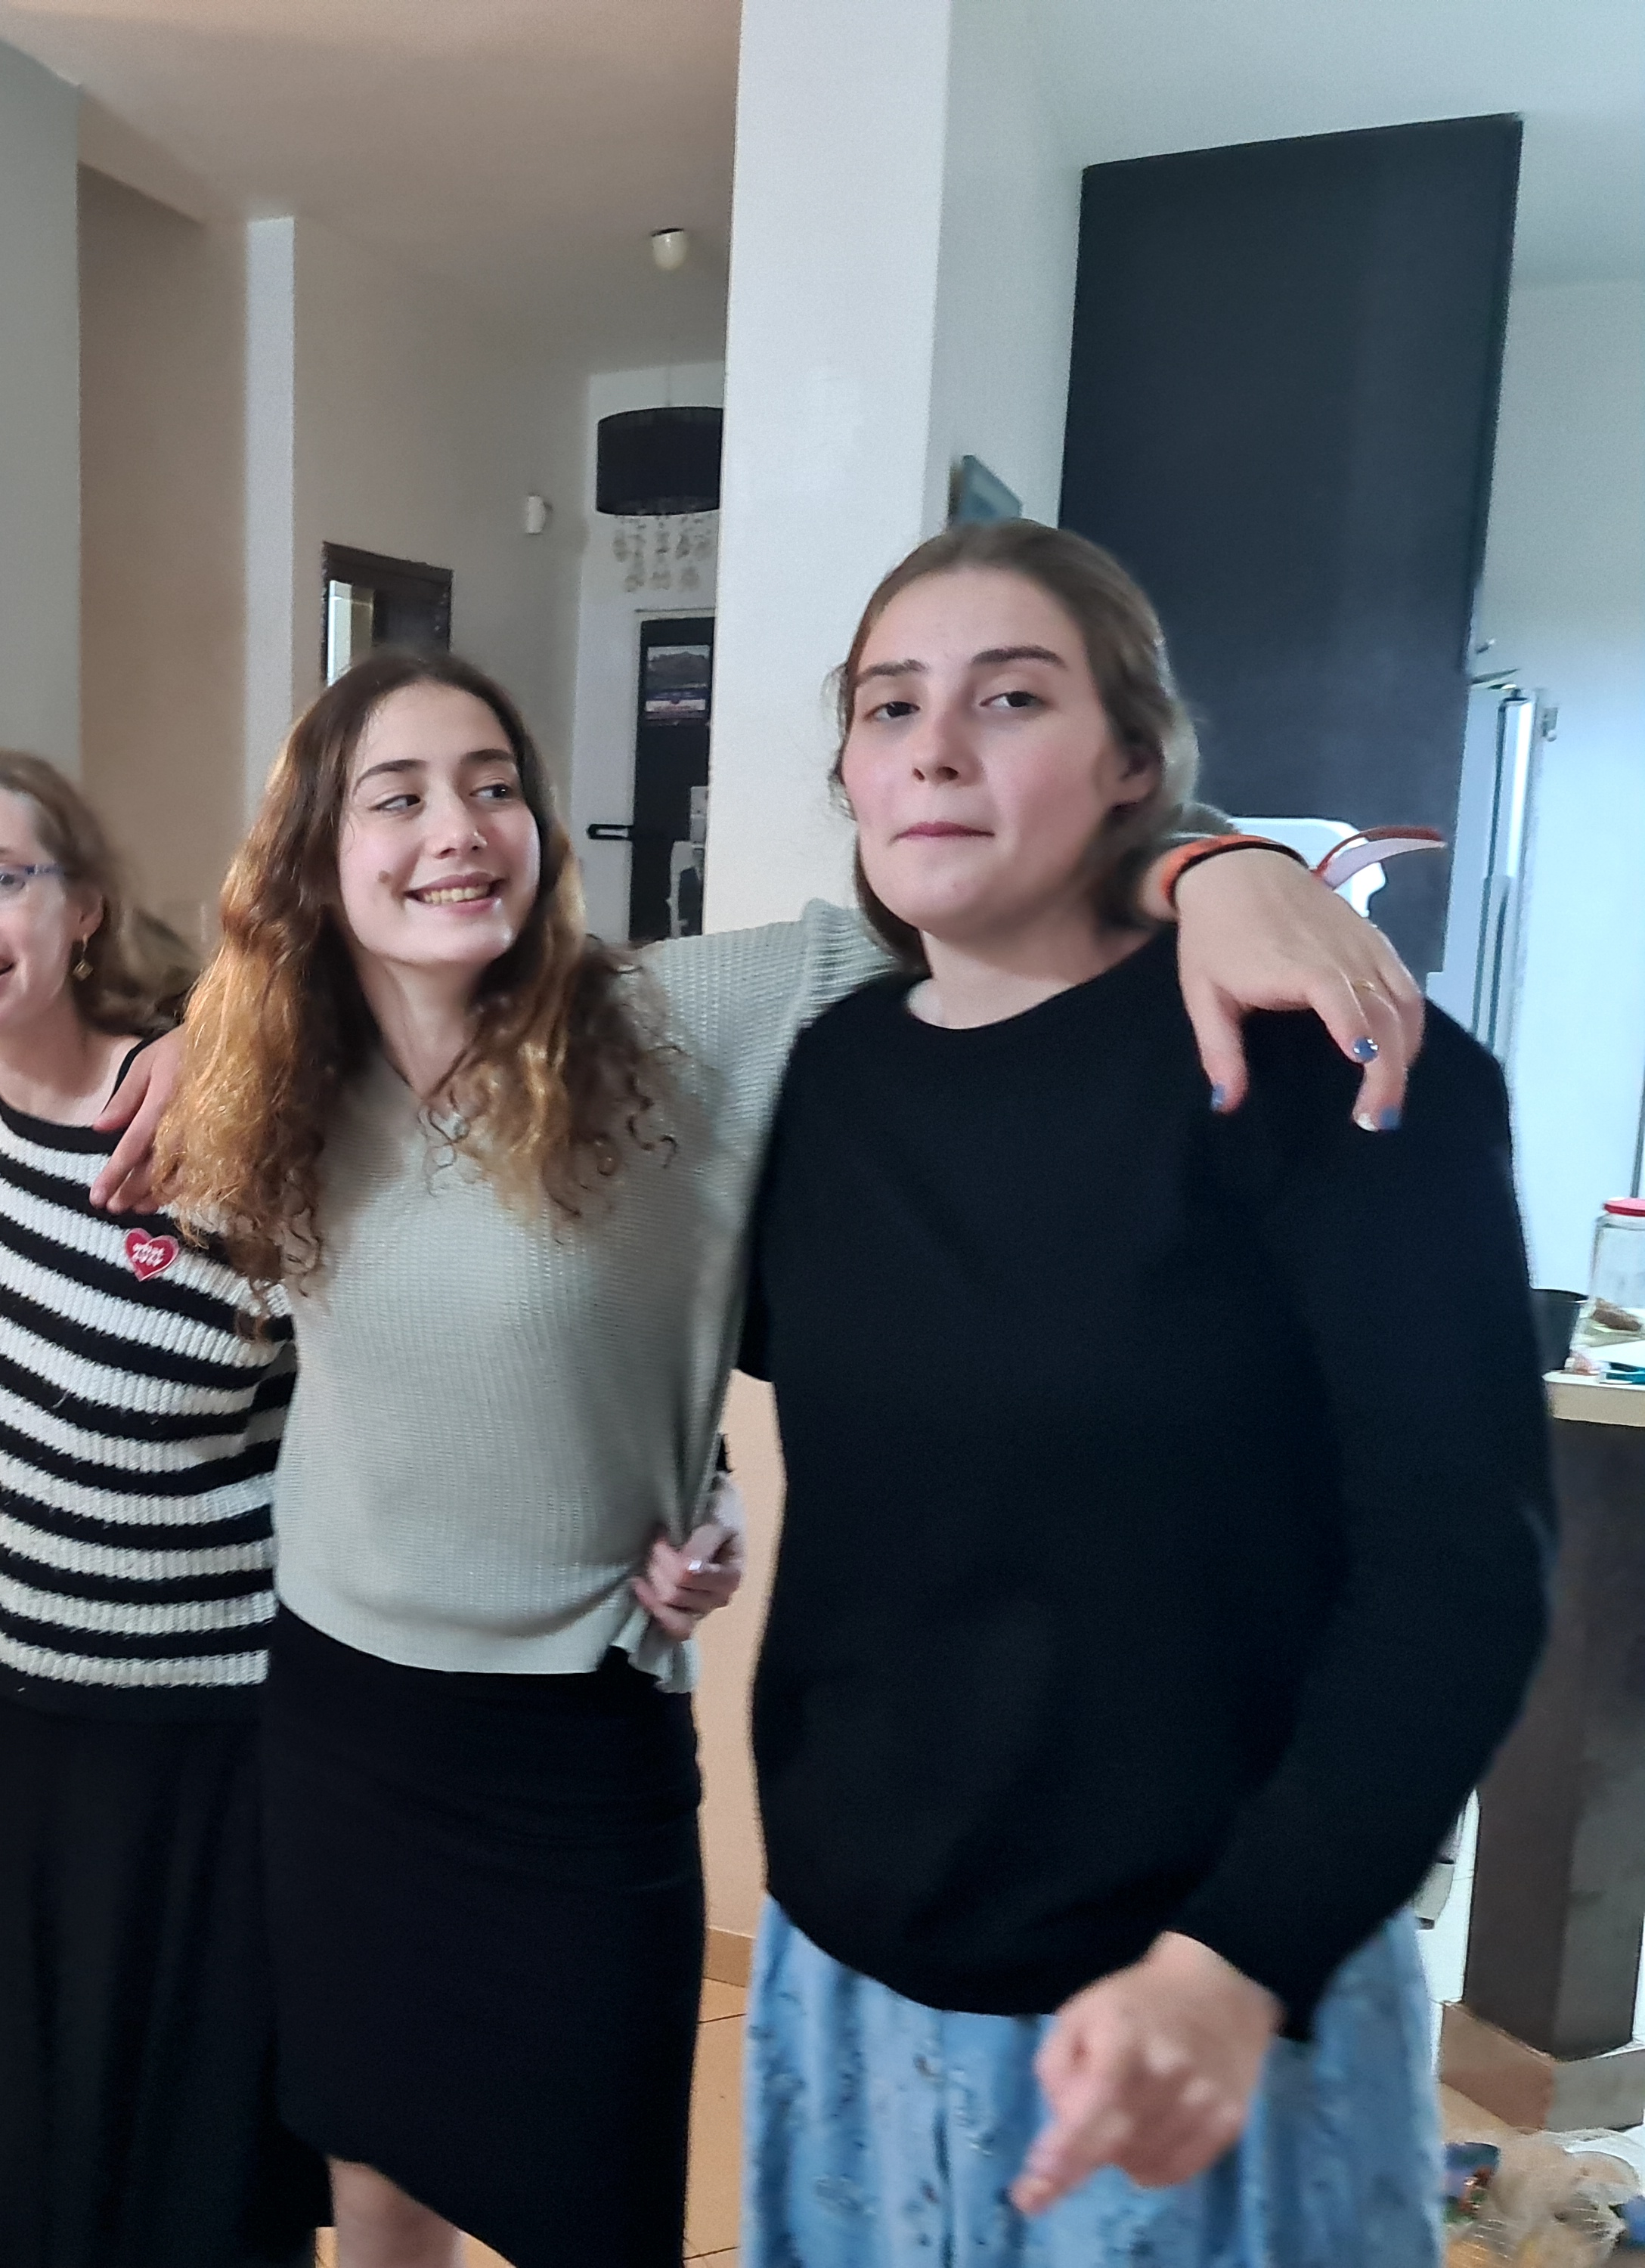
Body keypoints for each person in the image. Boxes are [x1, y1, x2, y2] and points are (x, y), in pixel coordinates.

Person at [146, 643, 1425, 2268]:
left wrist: (1210, 865)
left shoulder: (667, 1023)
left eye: (493, 786)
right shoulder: (273, 1080)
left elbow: (977, 891)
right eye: (397, 799)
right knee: (375, 2183)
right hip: (339, 1722)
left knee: (583, 2205)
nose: (457, 829)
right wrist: (194, 1030)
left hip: (569, 1747)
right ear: (318, 858)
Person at [736, 519, 1553, 2266]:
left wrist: (1236, 1959)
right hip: (850, 1974)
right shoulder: (835, 1072)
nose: (934, 749)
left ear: (1130, 761)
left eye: (1009, 697)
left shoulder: (1326, 1070)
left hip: (1185, 2010)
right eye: (889, 706)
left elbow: (1462, 1577)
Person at [0, 752, 328, 2266]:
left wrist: (212, 1030)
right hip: (1, 1717)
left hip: (196, 1742)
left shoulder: (216, 1125)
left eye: (5, 878)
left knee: (181, 2179)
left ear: (89, 906)